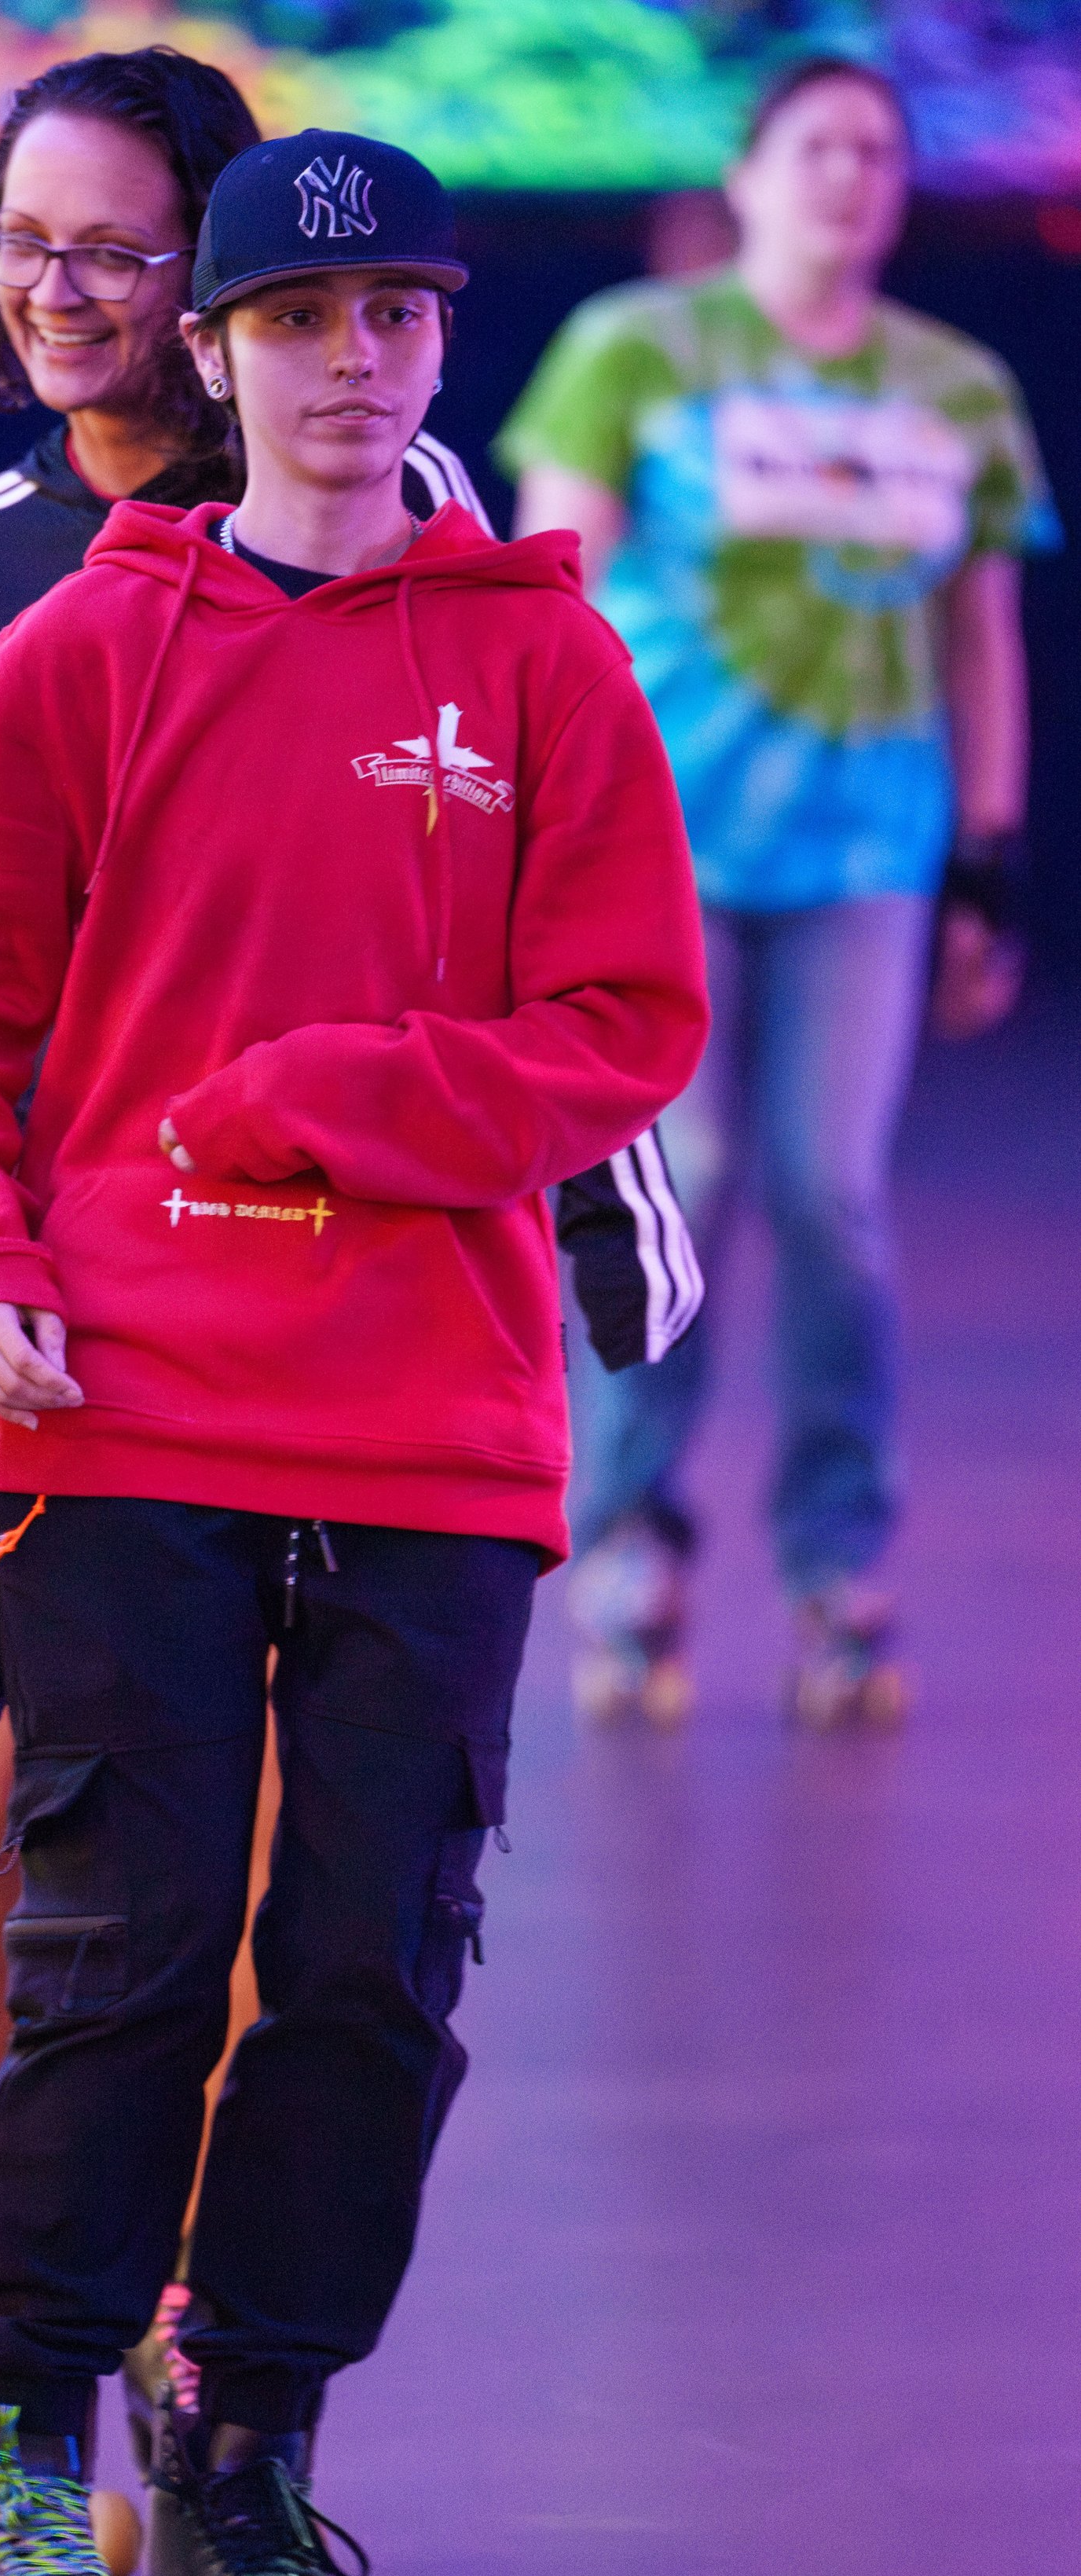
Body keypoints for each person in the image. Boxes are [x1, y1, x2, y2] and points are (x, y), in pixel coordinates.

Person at [0, 127, 708, 2576]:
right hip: (118, 1396)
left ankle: (240, 2465)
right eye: (299, 319)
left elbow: (626, 1018)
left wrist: (354, 1101)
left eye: (400, 315)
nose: (355, 357)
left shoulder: (542, 667)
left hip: (439, 1421)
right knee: (124, 1955)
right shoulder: (91, 653)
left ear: (442, 347)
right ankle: (16, 2454)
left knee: (362, 1973)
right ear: (209, 359)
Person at [499, 55, 1055, 1727]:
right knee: (682, 1183)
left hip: (861, 855)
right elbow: (547, 596)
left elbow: (976, 632)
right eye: (814, 145)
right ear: (744, 176)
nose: (847, 175)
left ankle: (833, 1566)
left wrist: (986, 856)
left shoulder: (951, 386)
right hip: (652, 859)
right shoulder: (633, 351)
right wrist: (519, 834)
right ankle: (627, 1547)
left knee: (827, 1197)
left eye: (876, 152)